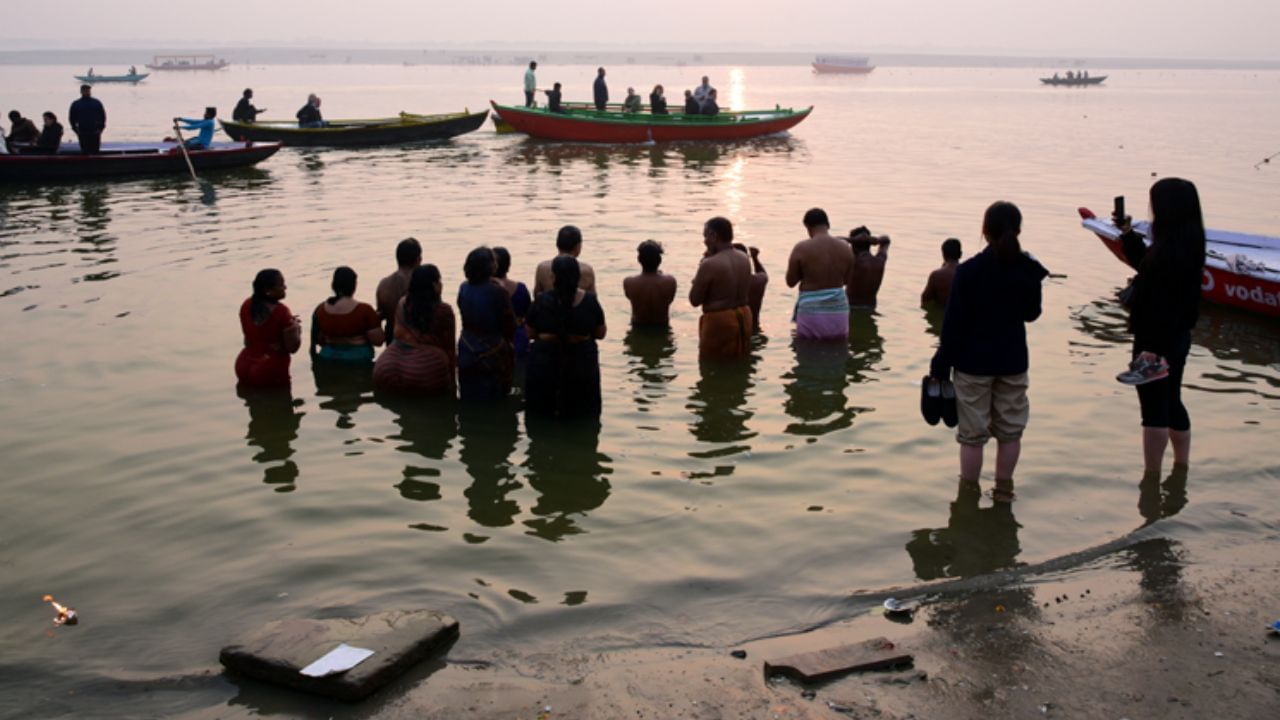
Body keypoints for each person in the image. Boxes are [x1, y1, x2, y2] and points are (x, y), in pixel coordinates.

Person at [929, 201, 1049, 503]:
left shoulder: (968, 272)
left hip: (973, 363)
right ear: (1019, 230)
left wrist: (941, 363)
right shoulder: (1029, 270)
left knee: (972, 437)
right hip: (1013, 361)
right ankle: (1004, 492)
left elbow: (953, 324)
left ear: (984, 231)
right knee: (1010, 432)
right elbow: (1032, 314)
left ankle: (968, 499)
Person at [1115, 178, 1205, 475]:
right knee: (1173, 400)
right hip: (1178, 337)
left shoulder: (1167, 252)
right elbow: (1146, 264)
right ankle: (1181, 468)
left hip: (1155, 341)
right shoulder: (1188, 244)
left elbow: (1156, 299)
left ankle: (1150, 478)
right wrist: (1128, 234)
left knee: (1153, 410)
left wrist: (1151, 353)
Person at [525, 255, 607, 418]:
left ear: (553, 277)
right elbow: (600, 333)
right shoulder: (589, 301)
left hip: (545, 364)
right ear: (578, 276)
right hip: (581, 365)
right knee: (582, 416)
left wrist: (550, 336)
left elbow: (530, 333)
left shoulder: (541, 301)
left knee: (541, 416)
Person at [373, 265, 457, 396]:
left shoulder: (403, 303)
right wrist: (453, 388)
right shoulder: (443, 311)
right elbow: (450, 352)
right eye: (439, 281)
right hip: (422, 371)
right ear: (435, 285)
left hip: (385, 367)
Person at [457, 247, 516, 401]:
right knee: (495, 399)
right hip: (492, 351)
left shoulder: (464, 288)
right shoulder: (498, 292)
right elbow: (510, 325)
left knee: (469, 397)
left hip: (467, 347)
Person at [786, 208, 854, 340]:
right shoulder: (845, 248)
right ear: (828, 225)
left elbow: (790, 282)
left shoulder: (801, 248)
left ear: (807, 226)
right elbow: (846, 280)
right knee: (838, 353)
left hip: (811, 309)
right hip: (839, 308)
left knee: (807, 353)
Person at [690, 216, 753, 359]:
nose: (704, 241)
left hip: (719, 322)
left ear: (714, 236)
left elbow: (694, 300)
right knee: (740, 366)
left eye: (705, 236)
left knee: (711, 368)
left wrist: (697, 277)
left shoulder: (709, 264)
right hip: (744, 316)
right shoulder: (744, 258)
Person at [235, 269, 302, 388]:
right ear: (267, 290)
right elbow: (293, 347)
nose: (285, 287)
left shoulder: (246, 305)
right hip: (269, 369)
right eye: (281, 285)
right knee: (281, 405)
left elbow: (248, 339)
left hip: (244, 364)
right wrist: (296, 328)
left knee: (254, 404)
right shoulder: (281, 312)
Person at [310, 266, 385, 362]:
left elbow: (320, 340)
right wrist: (377, 320)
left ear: (333, 285)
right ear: (354, 286)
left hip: (328, 358)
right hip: (358, 362)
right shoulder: (364, 310)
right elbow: (378, 341)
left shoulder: (320, 310)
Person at [376, 237, 422, 339]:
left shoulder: (383, 284)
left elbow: (379, 315)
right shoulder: (422, 283)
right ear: (418, 259)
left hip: (393, 336)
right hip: (417, 338)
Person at [623, 240, 677, 327]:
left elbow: (629, 296)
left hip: (638, 327)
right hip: (662, 326)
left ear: (639, 259)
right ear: (659, 260)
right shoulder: (670, 281)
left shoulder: (629, 282)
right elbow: (670, 300)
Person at [493, 246, 533, 360]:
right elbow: (528, 315)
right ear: (508, 266)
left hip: (494, 340)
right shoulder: (520, 288)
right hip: (518, 339)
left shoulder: (484, 291)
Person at [534, 225, 596, 296]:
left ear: (557, 244)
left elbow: (536, 295)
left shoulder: (542, 268)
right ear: (578, 247)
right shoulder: (586, 271)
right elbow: (593, 298)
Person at [847, 227, 891, 308]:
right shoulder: (880, 260)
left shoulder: (854, 262)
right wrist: (872, 240)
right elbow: (886, 240)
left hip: (851, 307)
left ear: (853, 245)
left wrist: (851, 239)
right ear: (869, 244)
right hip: (870, 307)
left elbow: (835, 242)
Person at [735, 243, 769, 334]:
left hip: (733, 329)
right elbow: (763, 273)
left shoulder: (728, 281)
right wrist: (755, 258)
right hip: (753, 327)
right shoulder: (758, 281)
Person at [921, 238, 963, 306]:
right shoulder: (969, 273)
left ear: (943, 255)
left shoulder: (936, 275)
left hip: (944, 313)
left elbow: (925, 300)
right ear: (960, 254)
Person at [68, 84, 106, 154]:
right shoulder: (76, 104)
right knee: (84, 152)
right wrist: (76, 130)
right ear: (81, 92)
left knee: (95, 152)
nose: (87, 92)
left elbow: (103, 116)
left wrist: (101, 129)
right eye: (85, 91)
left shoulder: (96, 103)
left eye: (88, 90)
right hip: (83, 132)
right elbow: (71, 118)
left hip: (95, 131)